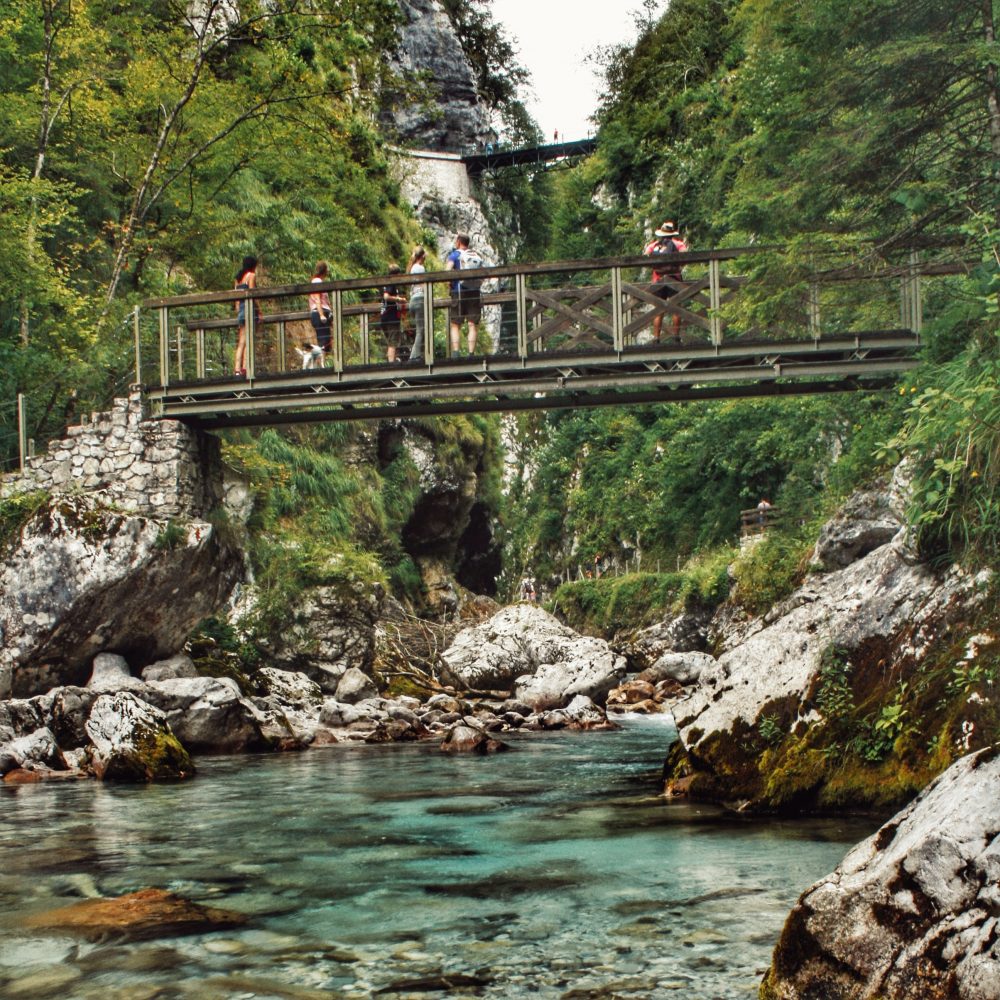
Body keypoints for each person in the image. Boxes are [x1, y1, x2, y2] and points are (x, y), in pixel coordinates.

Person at [643, 221, 688, 343]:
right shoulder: (678, 244)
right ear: (672, 233)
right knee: (676, 307)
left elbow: (646, 256)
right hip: (674, 278)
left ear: (661, 233)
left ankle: (656, 337)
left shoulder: (654, 245)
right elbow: (685, 255)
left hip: (658, 280)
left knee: (659, 309)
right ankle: (676, 336)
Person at [445, 233, 483, 356]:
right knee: (472, 324)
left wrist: (449, 283)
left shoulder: (455, 255)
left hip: (459, 291)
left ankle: (456, 354)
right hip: (474, 292)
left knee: (455, 324)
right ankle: (471, 353)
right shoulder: (476, 255)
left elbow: (447, 271)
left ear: (458, 242)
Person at [233, 255, 261, 376]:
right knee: (249, 340)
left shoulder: (238, 279)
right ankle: (245, 367)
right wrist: (259, 311)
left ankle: (237, 368)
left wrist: (238, 310)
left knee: (241, 341)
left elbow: (236, 299)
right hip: (250, 310)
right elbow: (252, 295)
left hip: (241, 311)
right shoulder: (251, 276)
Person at [380, 265, 407, 363]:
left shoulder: (387, 283)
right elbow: (386, 296)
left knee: (391, 342)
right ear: (396, 275)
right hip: (390, 317)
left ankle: (393, 360)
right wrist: (399, 299)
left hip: (385, 316)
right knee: (392, 342)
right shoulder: (391, 284)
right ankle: (391, 364)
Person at [407, 246, 428, 364]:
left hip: (413, 300)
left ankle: (416, 354)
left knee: (419, 328)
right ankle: (414, 357)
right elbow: (423, 284)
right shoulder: (420, 268)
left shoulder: (412, 268)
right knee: (421, 329)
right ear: (422, 256)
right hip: (420, 299)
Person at [308, 261, 332, 358]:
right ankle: (321, 366)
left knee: (325, 342)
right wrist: (321, 315)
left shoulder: (316, 281)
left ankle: (322, 365)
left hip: (320, 313)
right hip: (319, 313)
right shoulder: (317, 282)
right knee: (323, 343)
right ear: (324, 270)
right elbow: (317, 299)